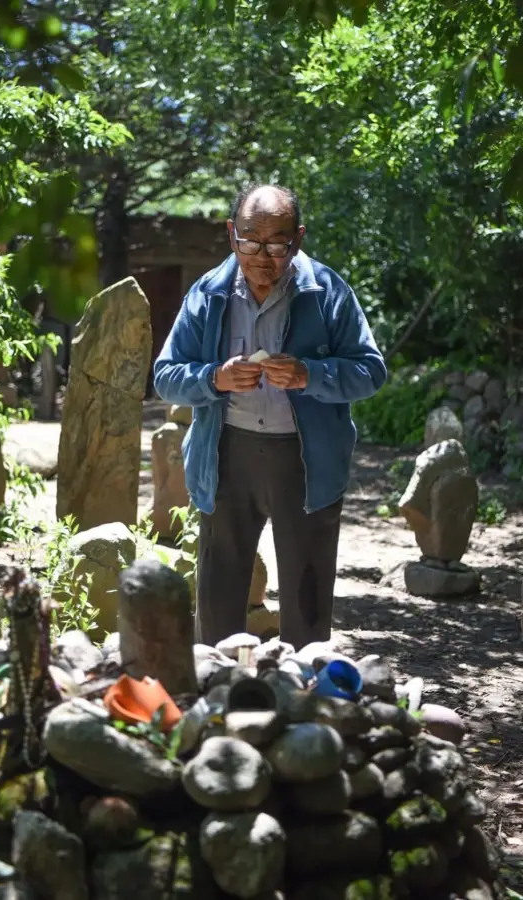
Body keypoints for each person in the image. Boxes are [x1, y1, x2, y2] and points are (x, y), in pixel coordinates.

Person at [153, 184, 386, 650]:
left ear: (297, 239)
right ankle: (217, 701)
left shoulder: (327, 292)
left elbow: (370, 371)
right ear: (231, 235)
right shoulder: (208, 293)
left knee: (307, 601)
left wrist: (309, 374)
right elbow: (165, 376)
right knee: (219, 600)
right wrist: (214, 378)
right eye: (250, 241)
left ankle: (304, 703)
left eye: (277, 244)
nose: (263, 256)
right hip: (226, 456)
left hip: (305, 461)